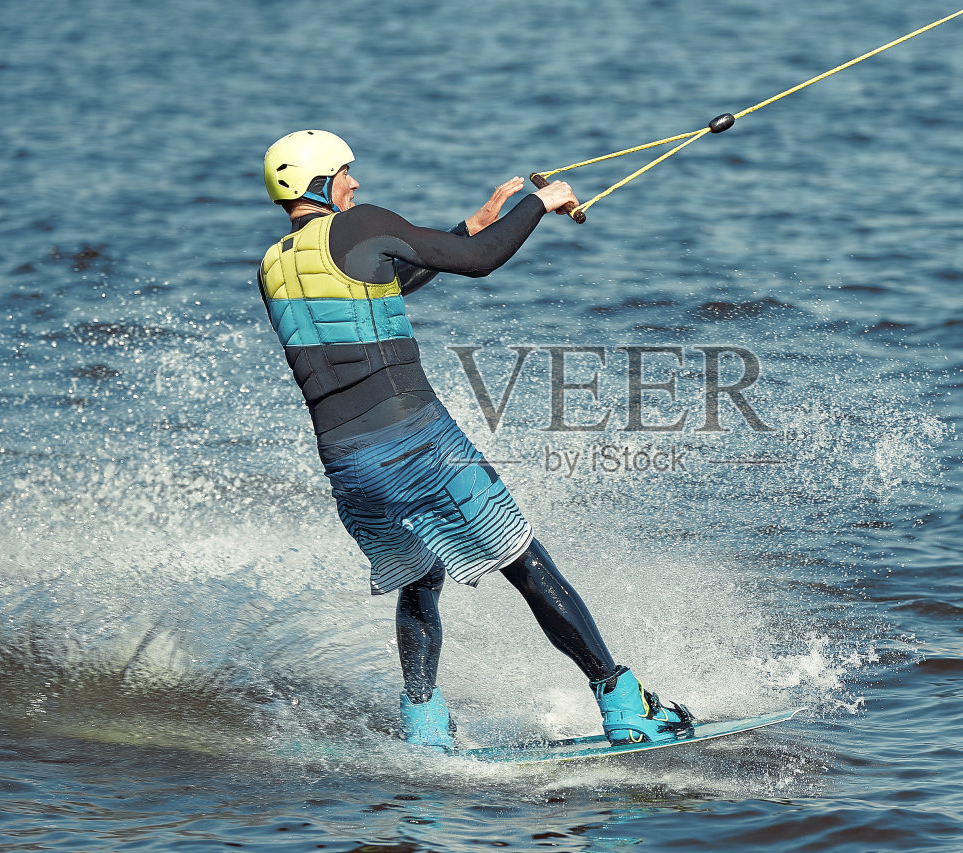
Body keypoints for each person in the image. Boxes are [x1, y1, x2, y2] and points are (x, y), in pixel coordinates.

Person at [257, 129, 692, 751]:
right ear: (320, 182)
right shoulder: (360, 226)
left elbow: (391, 280)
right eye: (347, 173)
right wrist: (540, 204)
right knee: (522, 557)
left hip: (348, 466)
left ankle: (424, 724)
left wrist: (472, 223)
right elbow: (483, 262)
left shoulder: (273, 265)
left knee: (419, 579)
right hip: (417, 444)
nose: (356, 183)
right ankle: (623, 700)